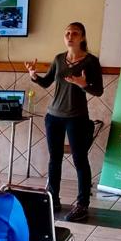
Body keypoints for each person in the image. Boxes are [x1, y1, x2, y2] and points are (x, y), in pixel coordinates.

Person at [25, 22, 104, 222]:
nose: (70, 36)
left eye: (74, 33)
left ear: (82, 37)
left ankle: (82, 204)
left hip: (77, 118)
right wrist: (34, 76)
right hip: (54, 116)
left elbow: (98, 91)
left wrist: (83, 84)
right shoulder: (59, 59)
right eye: (67, 33)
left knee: (80, 161)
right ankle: (53, 199)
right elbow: (46, 82)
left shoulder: (91, 61)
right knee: (55, 159)